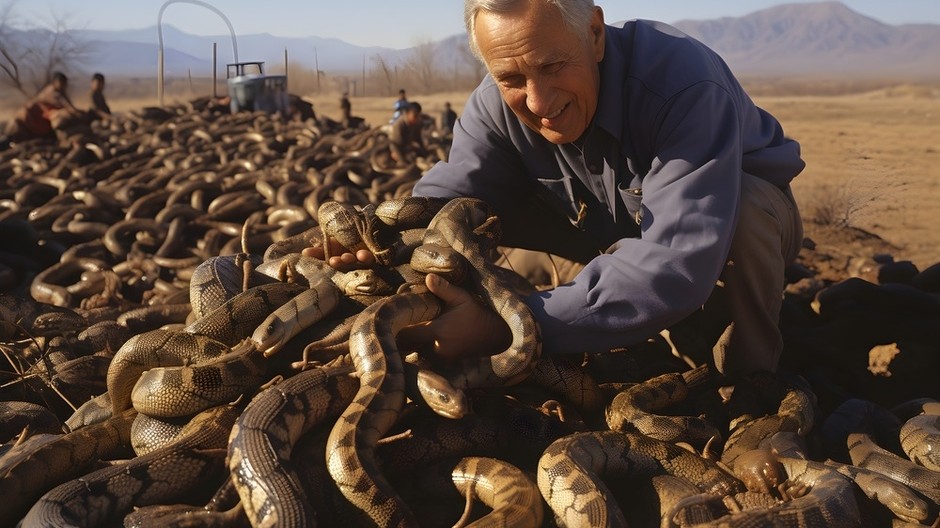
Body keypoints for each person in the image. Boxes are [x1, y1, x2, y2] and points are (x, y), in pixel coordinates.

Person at [310, 0, 804, 383]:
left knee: (745, 210)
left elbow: (678, 261)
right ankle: (602, 313)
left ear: (594, 34)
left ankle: (751, 383)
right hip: (601, 232)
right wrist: (378, 243)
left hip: (718, 231)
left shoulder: (682, 84)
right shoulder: (495, 105)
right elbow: (449, 200)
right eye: (511, 78)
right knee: (465, 229)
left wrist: (512, 325)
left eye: (551, 67)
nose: (539, 101)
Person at [3, 72, 82, 143]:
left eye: (64, 84)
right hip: (31, 120)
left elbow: (68, 106)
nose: (64, 86)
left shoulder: (57, 91)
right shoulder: (53, 92)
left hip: (34, 119)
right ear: (56, 82)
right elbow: (65, 106)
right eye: (62, 83)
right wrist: (76, 113)